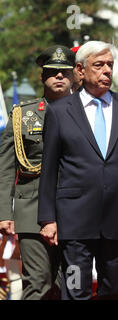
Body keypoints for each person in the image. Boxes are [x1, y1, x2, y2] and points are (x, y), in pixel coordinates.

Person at [37, 41, 118, 300]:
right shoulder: (59, 112)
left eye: (110, 66)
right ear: (80, 70)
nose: (107, 71)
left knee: (114, 291)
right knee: (75, 290)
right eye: (99, 65)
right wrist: (47, 218)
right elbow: (49, 169)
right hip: (74, 220)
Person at [0, 45, 75, 299]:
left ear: (74, 75)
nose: (59, 77)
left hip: (75, 208)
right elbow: (7, 166)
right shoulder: (24, 115)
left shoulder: (87, 112)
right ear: (42, 76)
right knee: (38, 283)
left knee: (72, 284)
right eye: (52, 72)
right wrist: (4, 213)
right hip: (31, 209)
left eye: (64, 72)